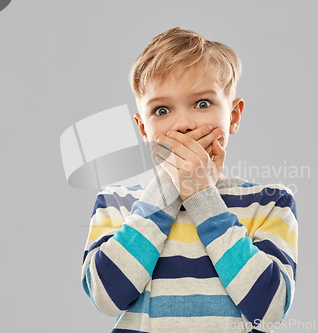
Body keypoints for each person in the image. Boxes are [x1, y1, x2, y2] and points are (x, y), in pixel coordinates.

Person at [81, 27, 298, 333]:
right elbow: (107, 297)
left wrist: (203, 197)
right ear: (143, 129)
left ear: (233, 116)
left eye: (202, 104)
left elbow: (270, 308)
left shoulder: (270, 202)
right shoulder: (116, 202)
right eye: (162, 109)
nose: (182, 124)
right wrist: (168, 188)